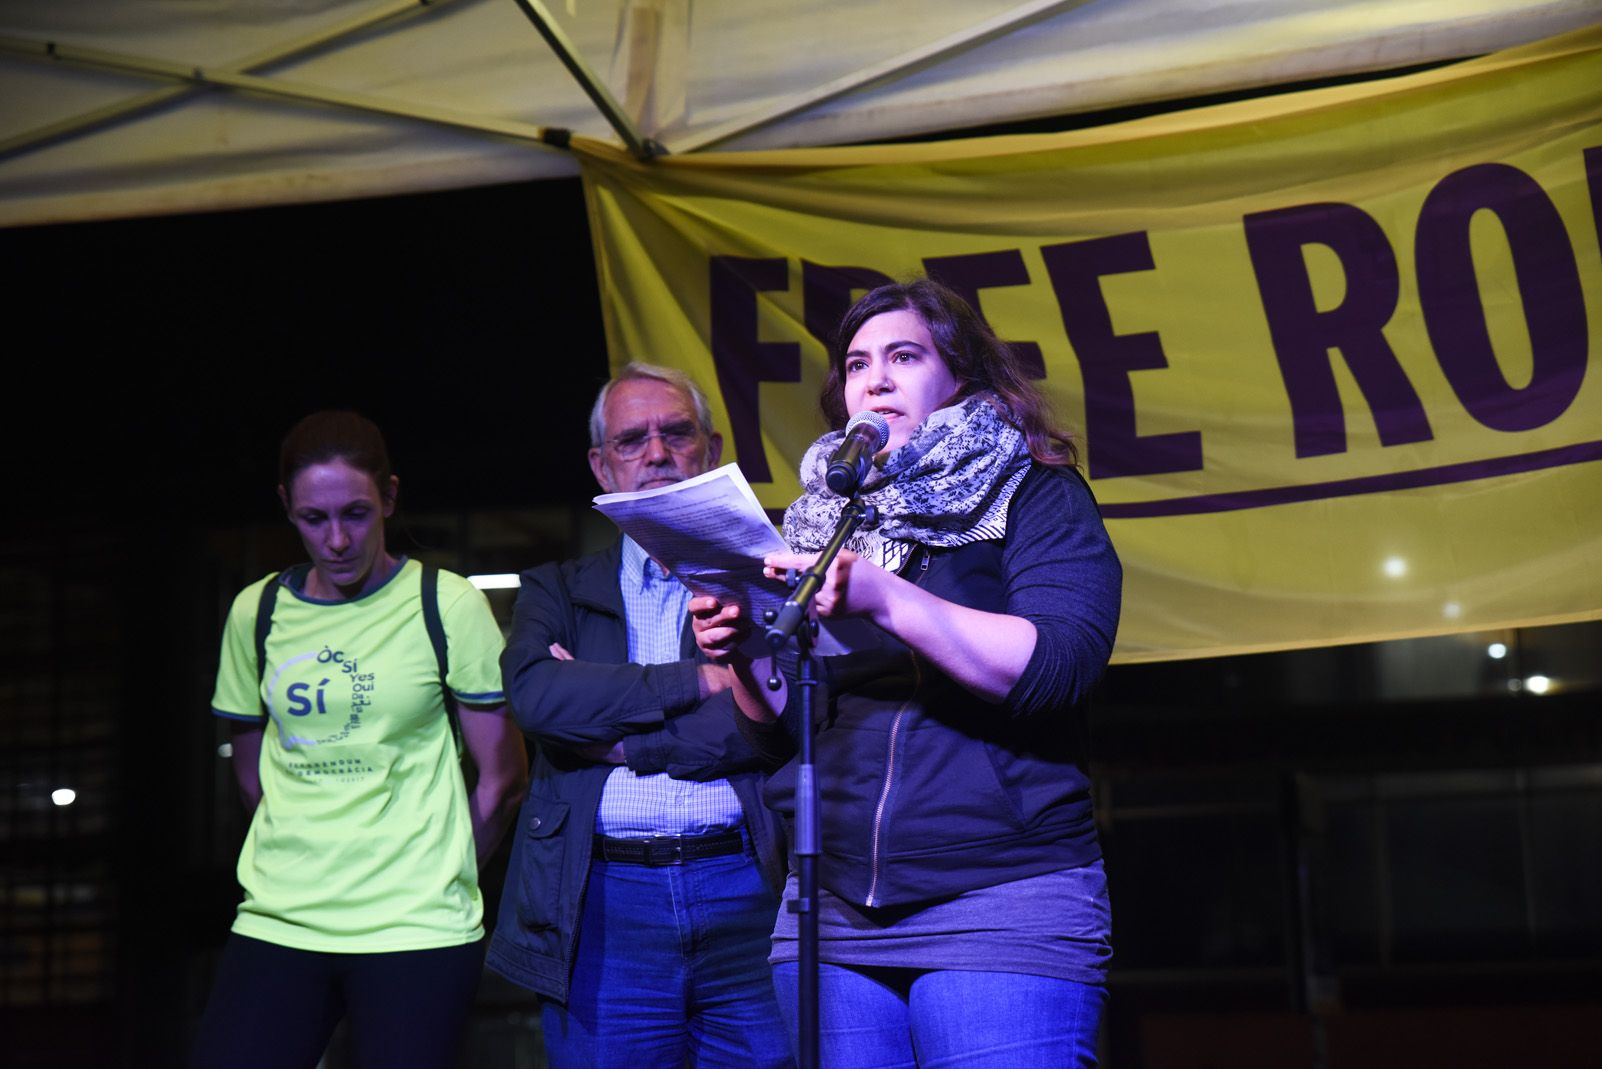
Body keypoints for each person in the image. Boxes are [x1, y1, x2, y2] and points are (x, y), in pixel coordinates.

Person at [691, 279, 1123, 1067]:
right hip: (831, 905)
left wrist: (887, 596)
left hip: (998, 892)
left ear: (959, 373)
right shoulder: (825, 515)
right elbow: (785, 726)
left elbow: (1056, 665)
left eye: (903, 356)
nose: (875, 379)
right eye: (857, 364)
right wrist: (743, 651)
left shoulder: (1036, 492)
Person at [193, 411, 528, 1069]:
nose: (338, 538)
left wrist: (441, 868)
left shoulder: (446, 602)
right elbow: (253, 776)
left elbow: (504, 777)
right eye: (315, 518)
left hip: (417, 925)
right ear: (287, 507)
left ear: (390, 498)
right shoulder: (255, 612)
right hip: (281, 918)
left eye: (357, 513)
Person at [486, 363, 792, 1069]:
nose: (656, 453)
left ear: (710, 449)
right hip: (604, 904)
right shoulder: (555, 587)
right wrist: (704, 677)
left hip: (749, 890)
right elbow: (538, 697)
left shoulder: (767, 574)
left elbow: (778, 719)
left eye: (676, 433)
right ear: (602, 464)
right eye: (632, 440)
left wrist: (620, 742)